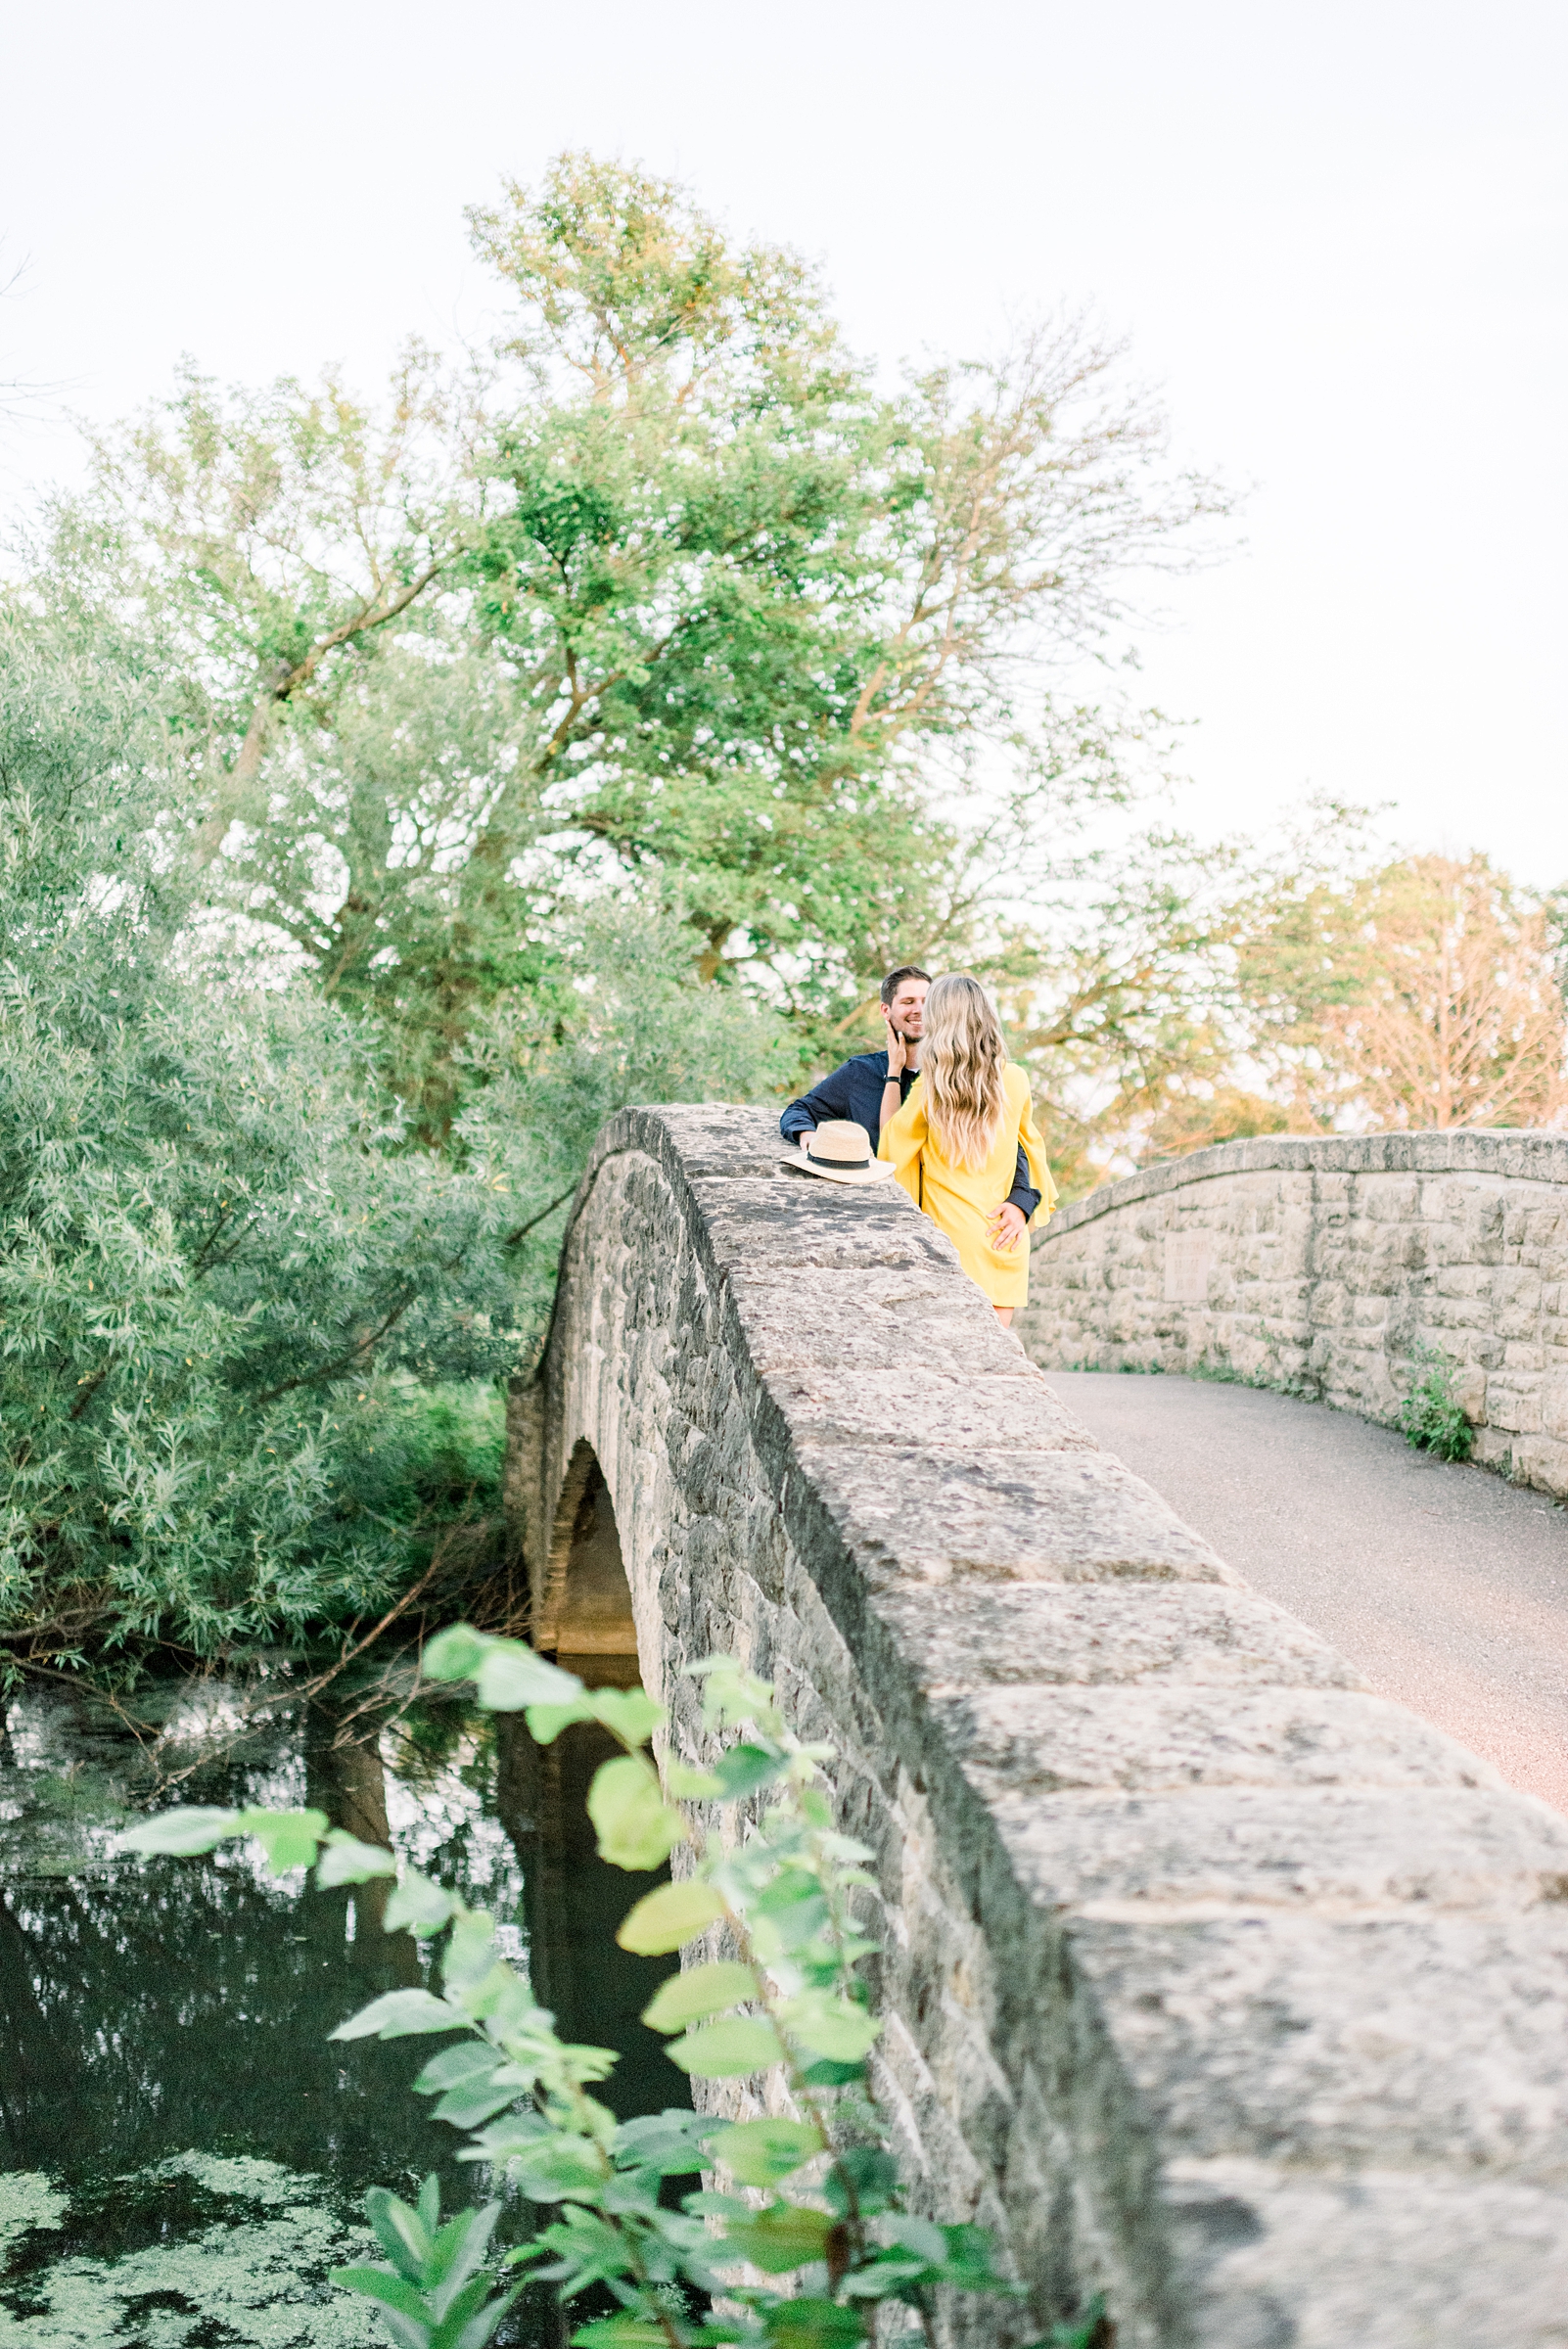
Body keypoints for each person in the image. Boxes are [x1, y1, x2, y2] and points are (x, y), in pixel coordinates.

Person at [779, 965, 1041, 1225]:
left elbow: (1011, 1144)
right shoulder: (860, 1072)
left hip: (953, 1222)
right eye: (908, 1002)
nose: (919, 1010)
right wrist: (808, 1136)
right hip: (877, 1218)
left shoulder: (959, 1075)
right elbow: (799, 1110)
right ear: (886, 1010)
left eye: (927, 1002)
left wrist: (1021, 1200)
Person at [877, 972, 1055, 1324]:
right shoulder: (1015, 1079)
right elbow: (1031, 1152)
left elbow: (891, 1149)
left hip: (951, 1240)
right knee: (993, 1368)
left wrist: (895, 1071)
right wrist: (1021, 1205)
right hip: (1003, 1236)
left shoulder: (933, 1086)